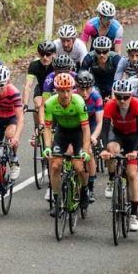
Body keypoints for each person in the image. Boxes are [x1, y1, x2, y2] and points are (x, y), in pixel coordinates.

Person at [42, 73, 91, 214]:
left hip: (78, 133)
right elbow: (47, 127)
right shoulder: (50, 103)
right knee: (56, 165)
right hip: (62, 132)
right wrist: (47, 147)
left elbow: (86, 129)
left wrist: (85, 150)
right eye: (62, 91)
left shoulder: (79, 102)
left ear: (72, 89)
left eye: (68, 90)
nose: (65, 94)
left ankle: (84, 190)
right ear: (56, 90)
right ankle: (57, 200)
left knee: (79, 166)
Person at [100, 79, 138, 232]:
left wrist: (136, 151)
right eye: (119, 97)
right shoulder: (110, 105)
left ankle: (133, 213)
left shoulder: (137, 104)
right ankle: (113, 179)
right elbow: (105, 129)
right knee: (111, 149)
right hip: (118, 134)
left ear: (131, 96)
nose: (122, 100)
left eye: (126, 97)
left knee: (132, 174)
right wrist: (105, 149)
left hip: (133, 137)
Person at [75, 70, 104, 202]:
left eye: (87, 89)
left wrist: (94, 136)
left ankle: (90, 187)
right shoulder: (73, 95)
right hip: (76, 124)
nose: (85, 92)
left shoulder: (96, 97)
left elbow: (99, 122)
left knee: (89, 152)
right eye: (82, 89)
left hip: (91, 125)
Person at [23, 40, 57, 132]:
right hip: (41, 89)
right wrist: (25, 104)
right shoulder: (34, 65)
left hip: (55, 90)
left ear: (54, 54)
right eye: (42, 55)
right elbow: (28, 86)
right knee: (38, 105)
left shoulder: (57, 64)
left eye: (48, 54)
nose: (45, 58)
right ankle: (37, 129)